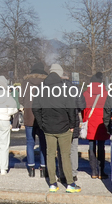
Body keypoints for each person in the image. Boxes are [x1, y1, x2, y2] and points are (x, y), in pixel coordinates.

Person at [32, 64, 81, 193]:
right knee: (65, 155)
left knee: (50, 154)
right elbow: (71, 109)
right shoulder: (64, 88)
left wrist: (41, 123)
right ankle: (70, 183)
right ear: (60, 75)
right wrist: (72, 125)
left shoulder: (41, 89)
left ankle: (52, 183)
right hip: (64, 127)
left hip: (48, 127)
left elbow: (35, 108)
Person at [57, 70, 85, 183]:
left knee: (61, 149)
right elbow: (82, 105)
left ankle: (62, 173)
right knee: (73, 148)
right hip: (73, 121)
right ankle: (73, 173)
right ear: (68, 77)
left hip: (59, 122)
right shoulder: (75, 89)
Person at [21, 62, 48, 178]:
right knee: (43, 143)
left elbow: (21, 98)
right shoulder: (46, 83)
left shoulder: (25, 83)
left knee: (30, 142)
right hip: (42, 116)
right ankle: (43, 168)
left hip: (29, 115)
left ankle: (31, 168)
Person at [83, 72, 110, 179]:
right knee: (101, 147)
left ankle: (93, 171)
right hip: (101, 124)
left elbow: (83, 109)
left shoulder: (86, 94)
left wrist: (85, 119)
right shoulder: (106, 94)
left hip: (90, 122)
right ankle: (102, 172)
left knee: (91, 147)